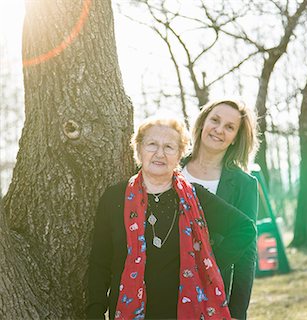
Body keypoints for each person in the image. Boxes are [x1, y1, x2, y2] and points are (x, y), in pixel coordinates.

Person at [86, 117, 256, 320]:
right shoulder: (115, 198)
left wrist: (206, 264)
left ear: (179, 155)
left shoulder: (196, 197)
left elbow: (245, 228)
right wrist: (94, 313)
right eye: (152, 145)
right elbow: (99, 263)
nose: (160, 153)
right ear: (139, 150)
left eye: (169, 147)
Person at [181, 99, 259, 320]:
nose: (219, 130)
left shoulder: (245, 184)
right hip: (163, 291)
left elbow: (247, 254)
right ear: (203, 122)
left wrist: (237, 312)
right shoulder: (171, 167)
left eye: (229, 127)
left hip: (214, 293)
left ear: (236, 138)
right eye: (215, 120)